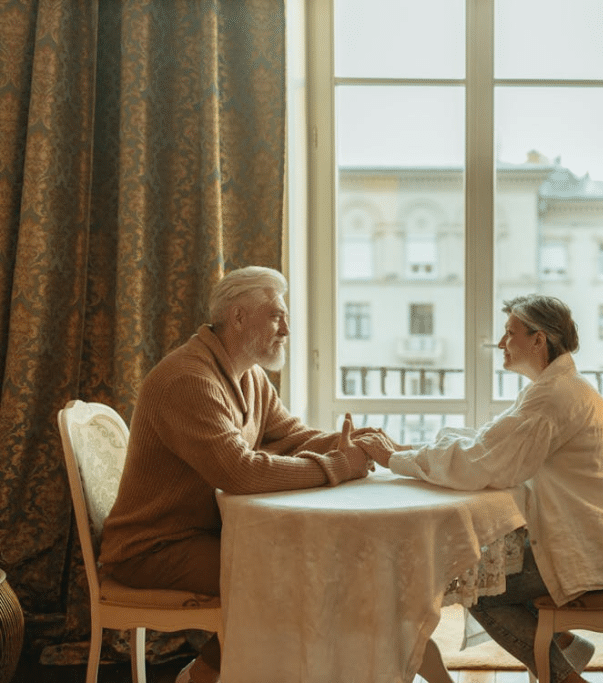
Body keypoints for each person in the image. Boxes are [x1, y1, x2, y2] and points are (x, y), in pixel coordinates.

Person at [99, 266, 387, 683]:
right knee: (286, 577)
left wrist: (358, 442)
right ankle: (202, 677)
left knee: (305, 568)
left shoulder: (249, 375)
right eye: (276, 316)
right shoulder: (188, 379)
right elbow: (240, 472)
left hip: (203, 533)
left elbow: (290, 437)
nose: (286, 329)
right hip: (151, 548)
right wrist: (340, 466)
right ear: (237, 318)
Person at [363, 294, 603, 683]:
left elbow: (485, 461)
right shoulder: (558, 386)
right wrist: (410, 453)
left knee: (480, 584)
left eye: (509, 333)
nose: (501, 343)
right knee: (479, 568)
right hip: (598, 537)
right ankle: (564, 646)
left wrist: (395, 459)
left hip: (594, 548)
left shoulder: (553, 396)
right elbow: (489, 443)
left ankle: (565, 674)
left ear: (539, 340)